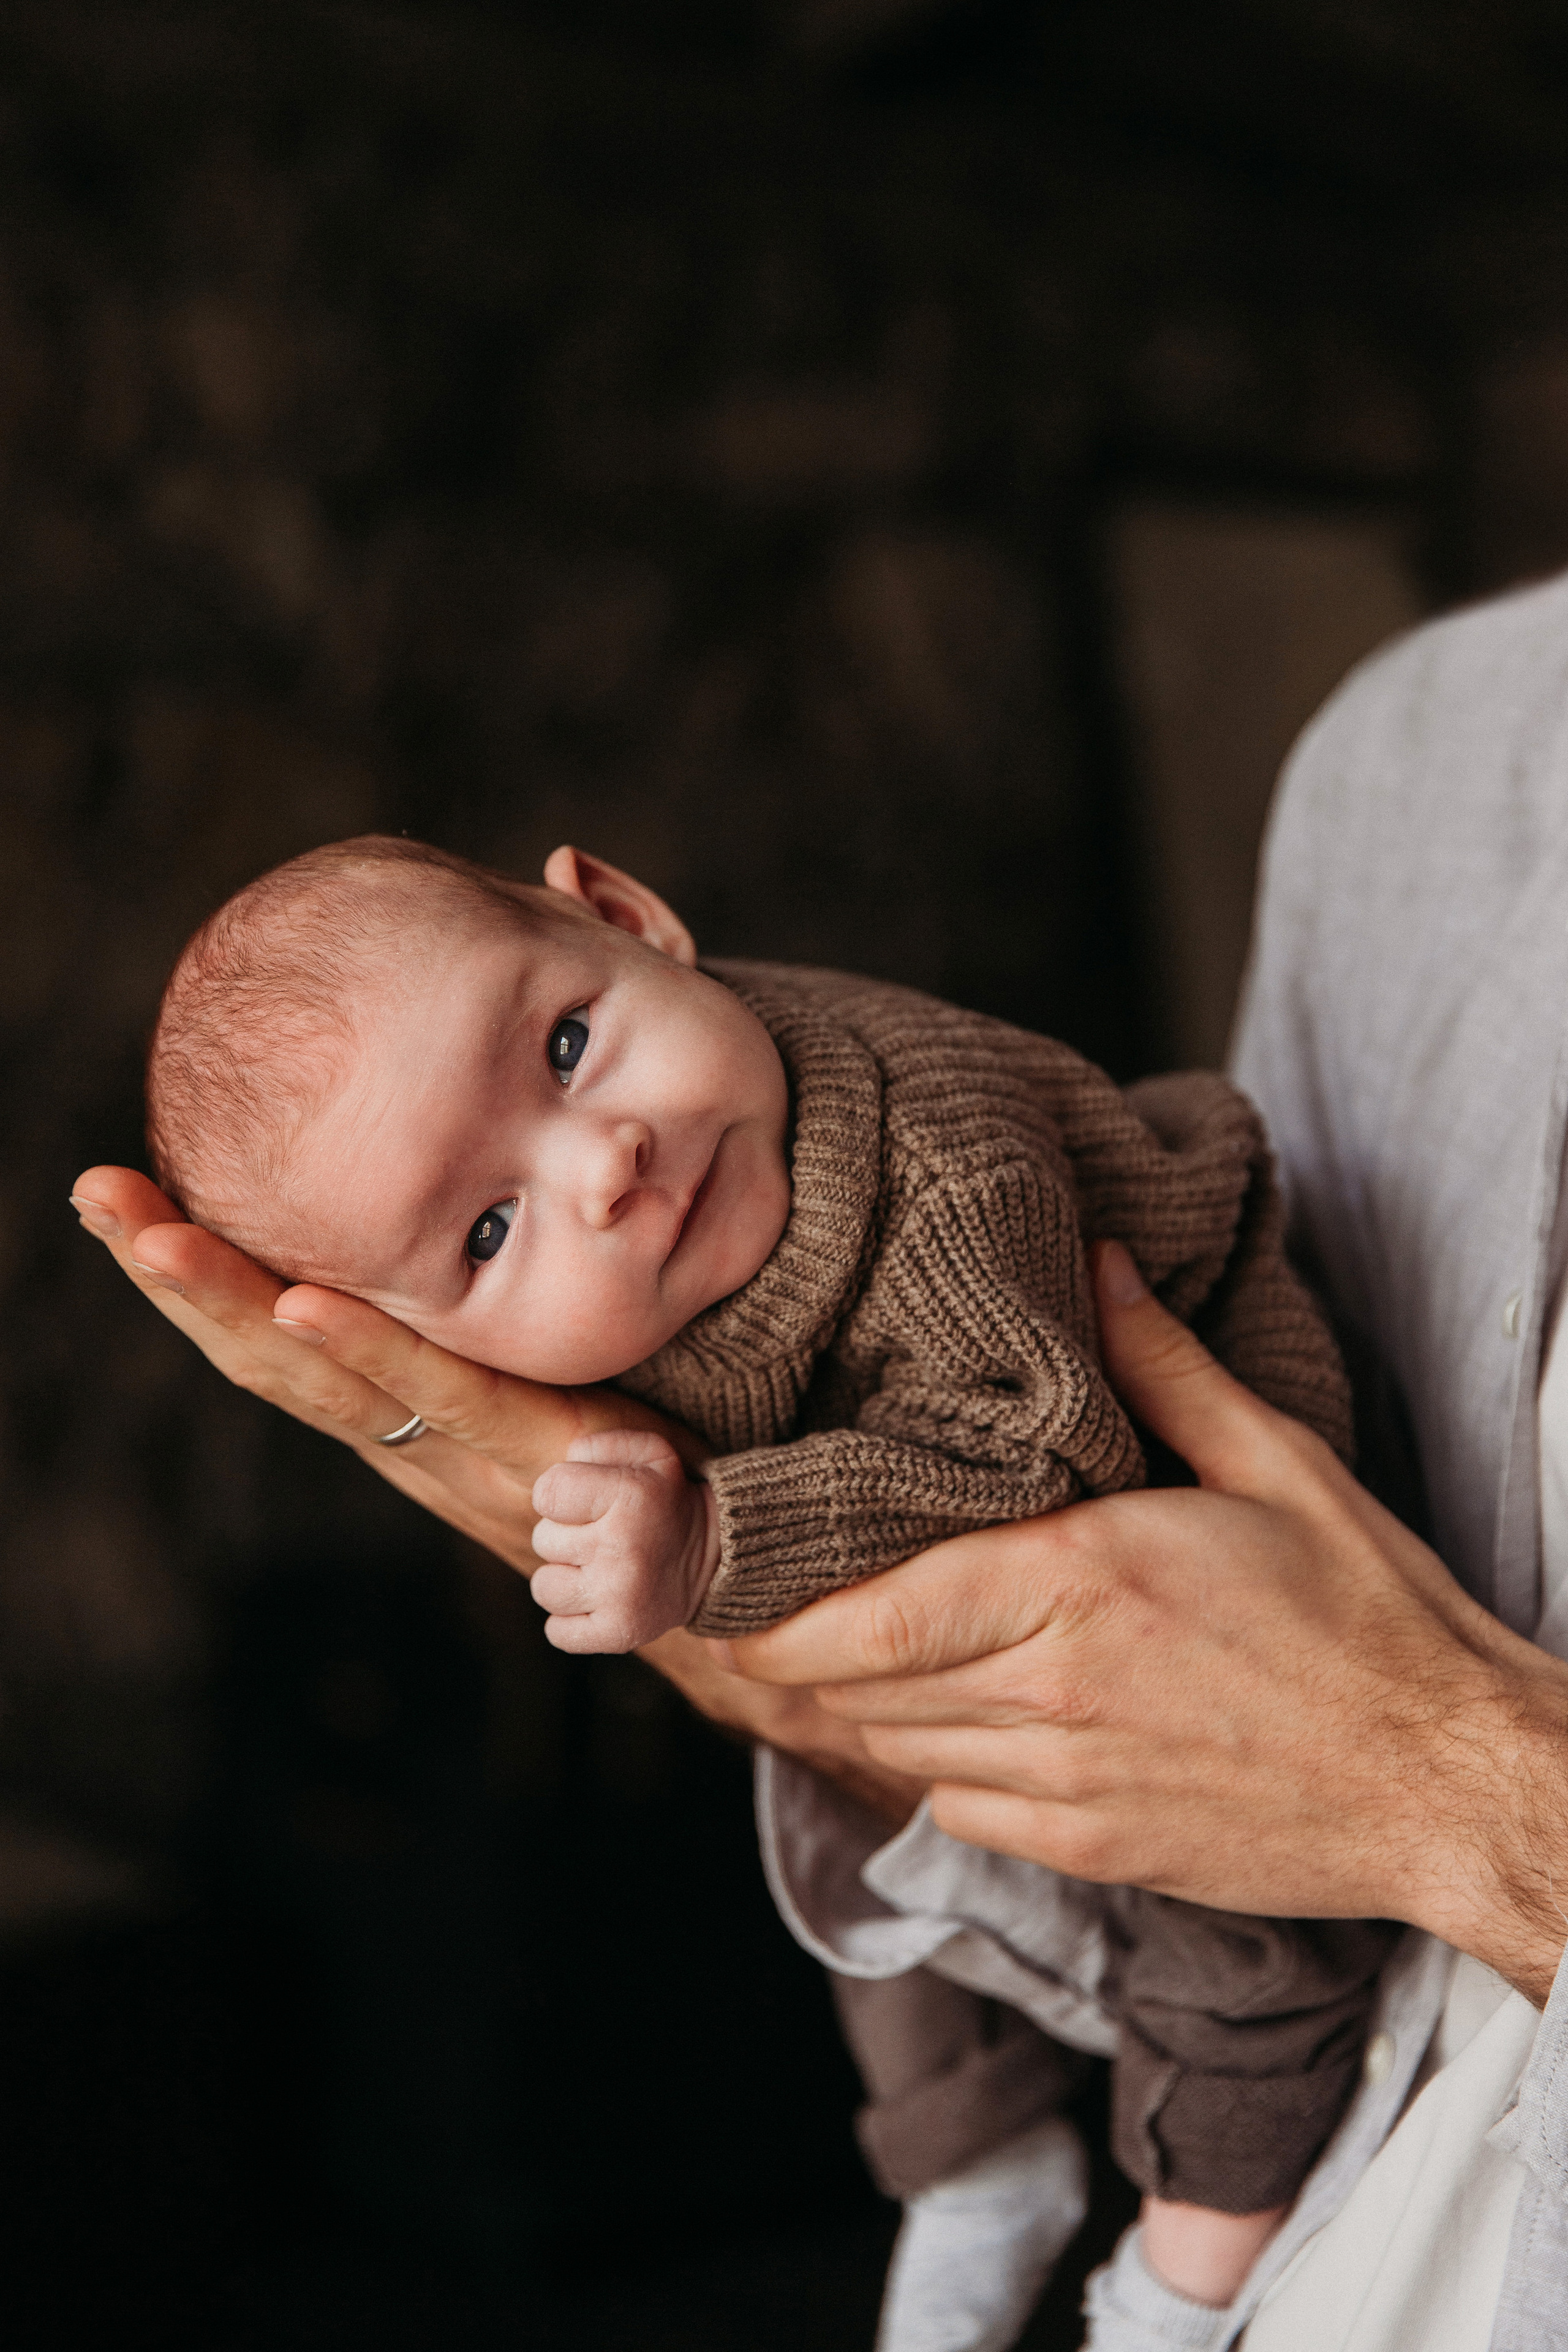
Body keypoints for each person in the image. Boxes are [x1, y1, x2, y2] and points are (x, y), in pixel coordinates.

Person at [72, 570, 1568, 2350]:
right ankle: (972, 2158)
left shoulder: (943, 1176)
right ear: (441, 1342)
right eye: (484, 1237)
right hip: (970, 1529)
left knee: (1236, 1942)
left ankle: (1180, 2270)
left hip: (1156, 1482)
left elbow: (1040, 1452)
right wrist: (719, 1614)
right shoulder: (1402, 754)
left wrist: (710, 1535)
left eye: (565, 1045)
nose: (603, 1166)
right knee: (856, 1834)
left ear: (631, 917)